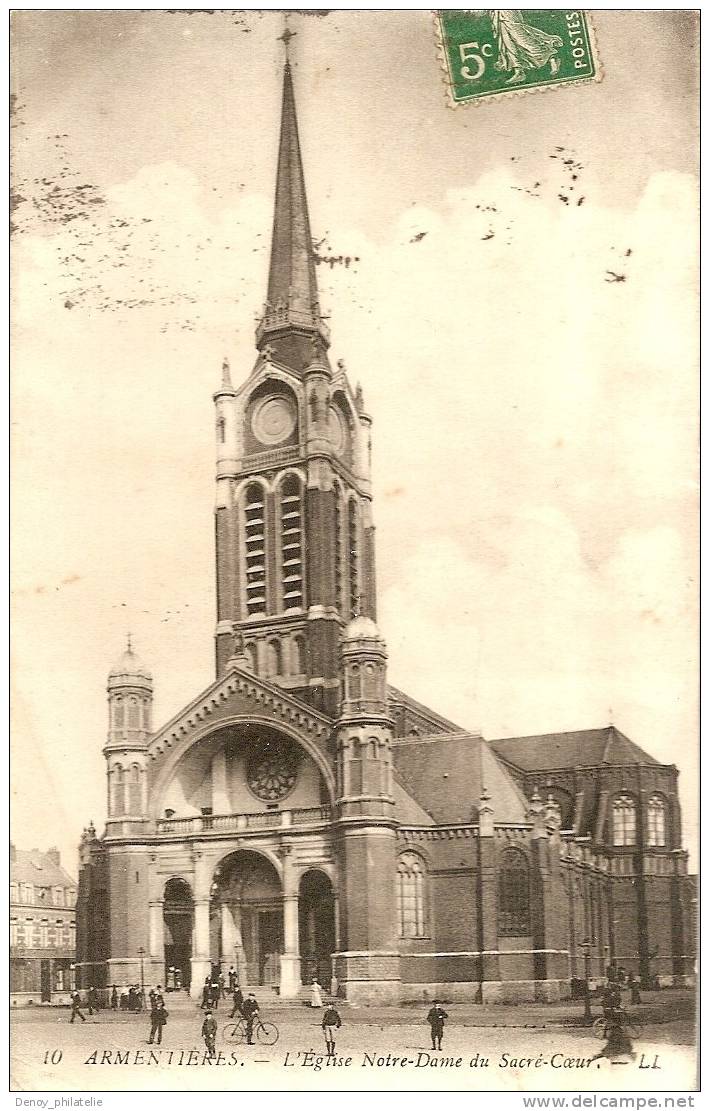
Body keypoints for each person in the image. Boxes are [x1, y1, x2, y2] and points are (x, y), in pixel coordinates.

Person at [490, 10, 563, 85]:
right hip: (499, 14)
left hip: (508, 12)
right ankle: (519, 71)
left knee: (522, 39)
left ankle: (552, 58)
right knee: (508, 43)